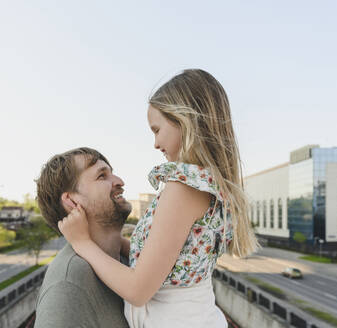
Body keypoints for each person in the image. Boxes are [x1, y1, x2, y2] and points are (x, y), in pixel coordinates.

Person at [59, 69, 260, 328]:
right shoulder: (205, 185)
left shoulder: (184, 189)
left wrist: (82, 243)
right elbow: (166, 261)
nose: (155, 143)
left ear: (184, 121)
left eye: (157, 129)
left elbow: (138, 290)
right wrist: (112, 241)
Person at [34, 147, 131, 328]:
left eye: (112, 174)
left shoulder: (128, 257)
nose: (120, 181)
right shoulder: (67, 285)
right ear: (72, 202)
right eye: (102, 176)